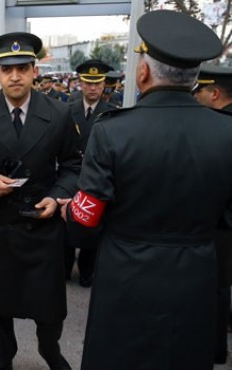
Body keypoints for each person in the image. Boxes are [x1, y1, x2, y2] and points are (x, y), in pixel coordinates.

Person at [57, 10, 229, 370]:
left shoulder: (112, 131)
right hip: (197, 274)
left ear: (144, 71)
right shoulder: (226, 133)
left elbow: (86, 219)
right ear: (196, 78)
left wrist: (69, 212)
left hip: (126, 275)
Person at [0, 32, 81, 370]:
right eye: (6, 70)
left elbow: (73, 165)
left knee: (49, 305)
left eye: (22, 68)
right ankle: (2, 358)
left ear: (35, 71)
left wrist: (58, 196)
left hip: (41, 223)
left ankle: (50, 351)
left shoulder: (59, 114)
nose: (15, 76)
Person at [64, 59, 117, 288]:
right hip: (70, 175)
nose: (93, 88)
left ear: (104, 84)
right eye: (88, 83)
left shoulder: (112, 114)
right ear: (80, 84)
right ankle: (63, 269)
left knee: (92, 228)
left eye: (98, 83)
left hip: (96, 178)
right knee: (65, 224)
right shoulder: (67, 110)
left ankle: (88, 272)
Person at [192, 64, 232, 365]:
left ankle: (213, 348)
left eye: (200, 91)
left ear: (215, 93)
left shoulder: (217, 129)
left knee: (214, 289)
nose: (196, 97)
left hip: (219, 225)